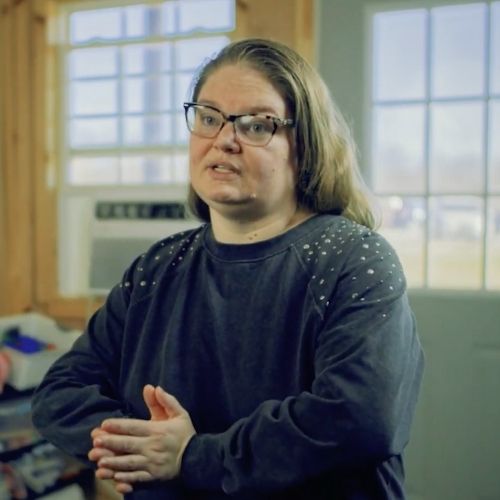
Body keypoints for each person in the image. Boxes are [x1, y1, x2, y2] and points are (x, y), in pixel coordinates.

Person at [31, 38, 424, 499]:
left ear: (307, 144)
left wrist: (192, 457)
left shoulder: (352, 259)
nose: (224, 139)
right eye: (208, 117)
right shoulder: (157, 269)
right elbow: (60, 394)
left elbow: (361, 418)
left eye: (257, 125)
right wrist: (149, 447)